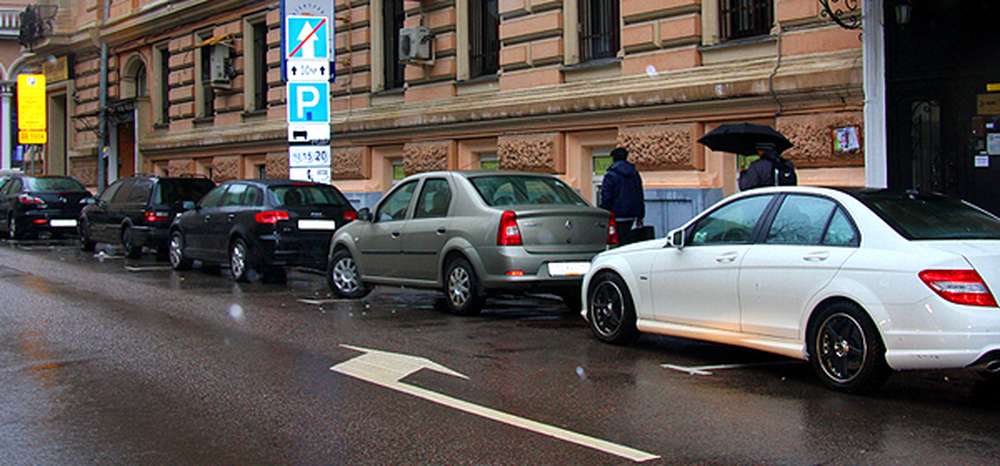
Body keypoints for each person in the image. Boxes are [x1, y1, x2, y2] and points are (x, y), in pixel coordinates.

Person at [599, 147, 645, 233]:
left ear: (613, 158)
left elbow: (606, 197)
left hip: (616, 215)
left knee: (615, 239)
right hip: (632, 215)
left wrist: (604, 212)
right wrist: (641, 215)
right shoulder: (634, 174)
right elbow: (640, 195)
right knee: (629, 239)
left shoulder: (611, 175)